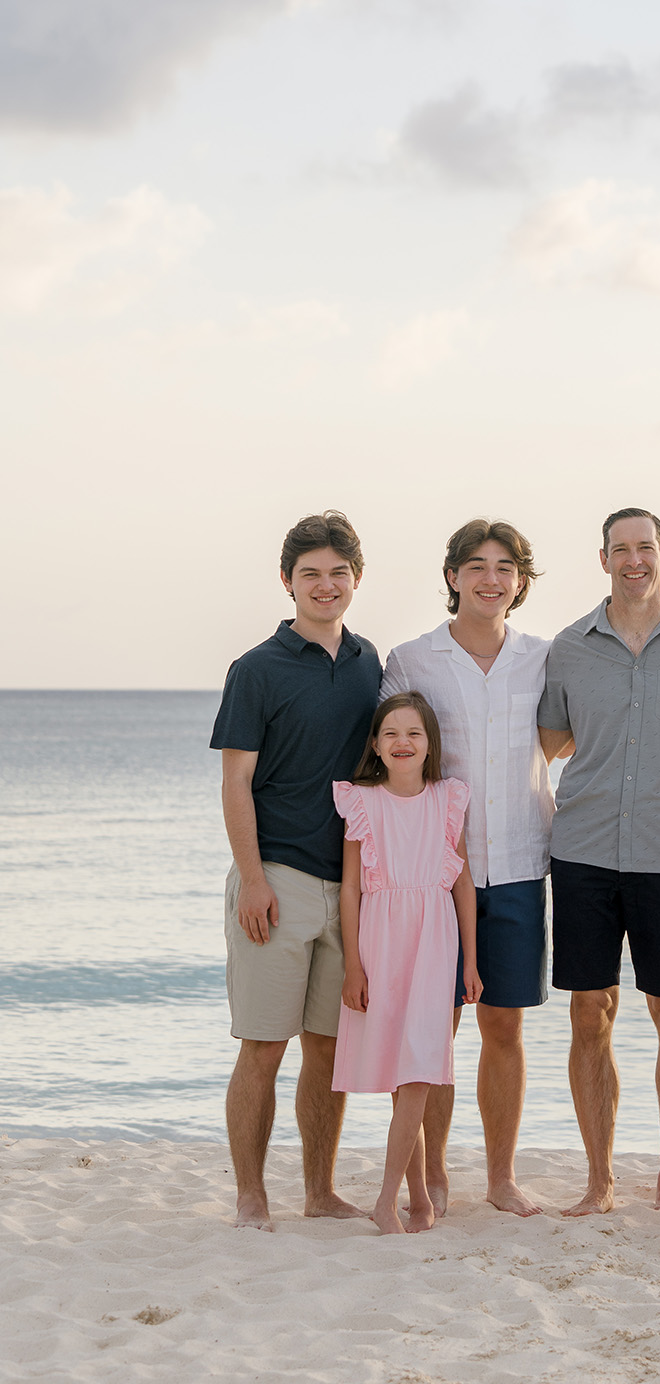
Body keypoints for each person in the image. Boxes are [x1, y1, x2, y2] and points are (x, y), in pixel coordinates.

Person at [538, 507, 660, 1216]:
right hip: (581, 852)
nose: (633, 560)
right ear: (602, 558)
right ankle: (600, 1179)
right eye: (620, 549)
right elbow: (547, 743)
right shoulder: (569, 649)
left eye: (645, 547)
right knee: (590, 1013)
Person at [379, 519, 553, 1218]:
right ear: (452, 576)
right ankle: (434, 1176)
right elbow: (384, 754)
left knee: (504, 1028)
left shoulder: (544, 658)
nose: (491, 578)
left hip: (517, 864)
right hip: (434, 874)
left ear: (520, 580)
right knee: (434, 1026)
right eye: (476, 566)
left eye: (505, 567)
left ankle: (502, 1178)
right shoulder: (411, 659)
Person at [212, 511, 381, 1229]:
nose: (325, 585)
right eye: (310, 574)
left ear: (356, 580)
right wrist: (251, 879)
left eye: (338, 573)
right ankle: (251, 1196)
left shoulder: (373, 662)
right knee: (262, 1046)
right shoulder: (256, 670)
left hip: (348, 888)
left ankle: (319, 1191)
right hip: (275, 879)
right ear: (287, 582)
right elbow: (235, 783)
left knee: (330, 1048)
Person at [333, 692, 483, 1234]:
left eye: (414, 733)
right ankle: (418, 1200)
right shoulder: (362, 802)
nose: (402, 742)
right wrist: (353, 965)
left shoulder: (447, 799)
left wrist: (470, 960)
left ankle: (384, 1200)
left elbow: (462, 881)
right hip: (379, 939)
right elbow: (350, 890)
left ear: (429, 745)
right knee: (404, 1081)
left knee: (420, 1070)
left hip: (434, 940)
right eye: (391, 733)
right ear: (375, 744)